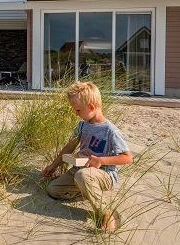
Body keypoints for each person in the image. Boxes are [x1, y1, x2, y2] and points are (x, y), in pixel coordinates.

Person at [41, 81, 132, 232]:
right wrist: (53, 166)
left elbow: (127, 157)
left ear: (91, 107)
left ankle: (106, 214)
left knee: (83, 175)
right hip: (80, 171)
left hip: (104, 174)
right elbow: (69, 147)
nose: (76, 114)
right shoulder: (82, 125)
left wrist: (100, 160)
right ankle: (89, 191)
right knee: (53, 189)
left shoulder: (110, 130)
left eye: (78, 110)